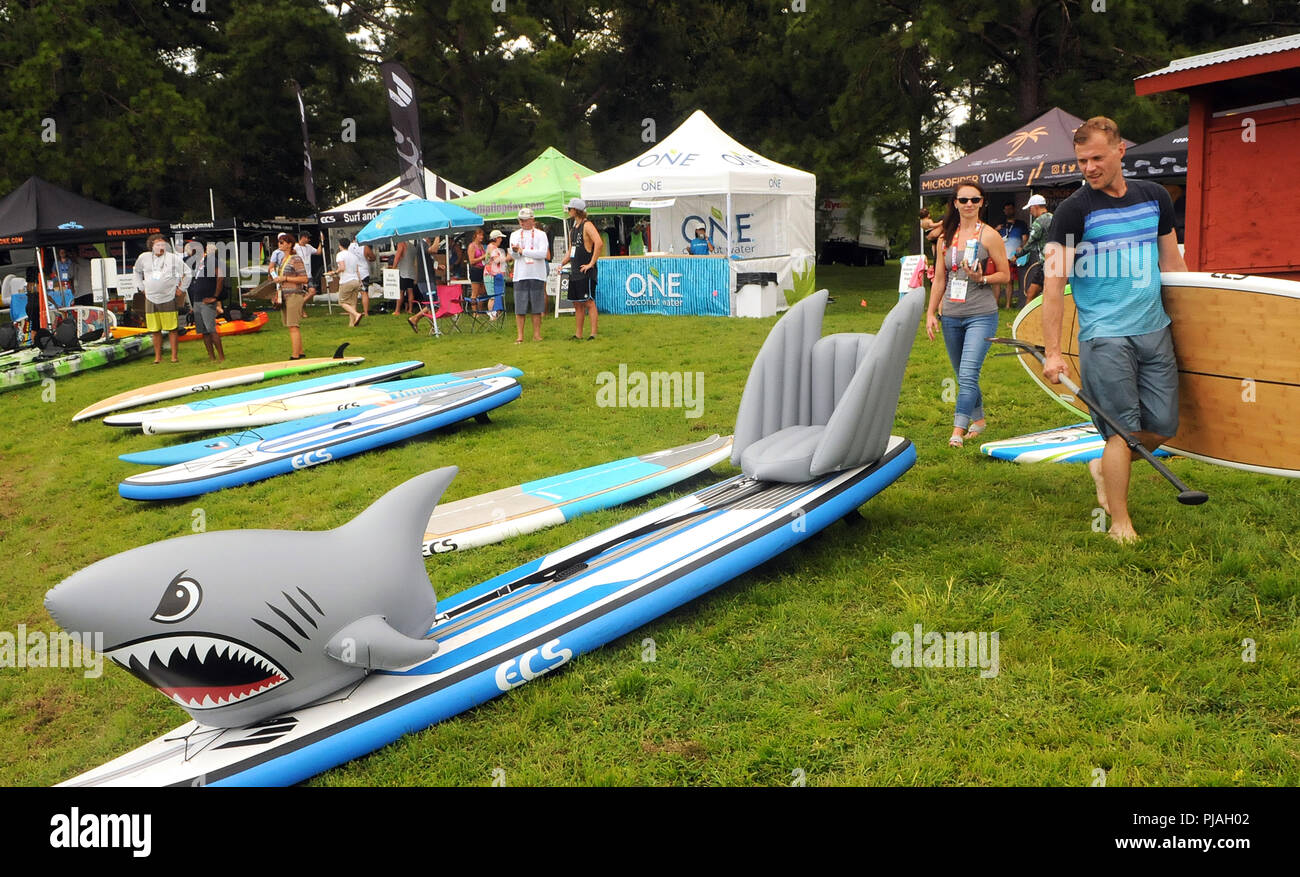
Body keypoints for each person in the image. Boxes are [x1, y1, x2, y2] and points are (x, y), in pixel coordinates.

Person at [1041, 116, 1188, 544]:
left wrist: (1194, 316)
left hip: (1154, 328)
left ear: (1121, 151)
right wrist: (1053, 350)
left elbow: (1172, 264)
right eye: (1082, 160)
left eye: (1097, 158)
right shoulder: (1073, 211)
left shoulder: (1155, 197)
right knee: (1122, 431)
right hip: (1104, 335)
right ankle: (1120, 522)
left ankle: (1104, 466)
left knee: (1163, 425)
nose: (1089, 167)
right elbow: (1054, 285)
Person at [924, 182, 1010, 448]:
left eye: (974, 199)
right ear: (955, 203)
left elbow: (1005, 276)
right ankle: (979, 420)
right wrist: (930, 313)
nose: (969, 204)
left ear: (982, 202)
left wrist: (982, 278)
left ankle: (957, 430)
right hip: (951, 314)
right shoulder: (944, 238)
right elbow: (939, 279)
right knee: (963, 374)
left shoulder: (989, 235)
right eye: (964, 200)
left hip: (981, 314)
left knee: (969, 373)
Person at [132, 234, 192, 363]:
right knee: (155, 329)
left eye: (163, 244)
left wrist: (181, 289)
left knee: (172, 328)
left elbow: (188, 273)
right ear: (151, 246)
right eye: (158, 244)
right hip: (151, 297)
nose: (161, 247)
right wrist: (141, 287)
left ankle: (174, 356)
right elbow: (136, 271)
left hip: (168, 297)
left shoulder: (173, 258)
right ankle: (157, 357)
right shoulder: (144, 257)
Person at [560, 198, 603, 340]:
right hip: (575, 271)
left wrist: (591, 263)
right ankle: (578, 334)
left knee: (589, 302)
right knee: (577, 303)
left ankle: (593, 333)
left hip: (585, 270)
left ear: (575, 210)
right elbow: (571, 249)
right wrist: (562, 263)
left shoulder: (587, 225)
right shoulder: (573, 228)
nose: (568, 211)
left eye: (569, 209)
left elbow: (599, 242)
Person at [509, 207, 548, 343]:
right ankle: (520, 335)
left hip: (537, 273)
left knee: (536, 307)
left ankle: (537, 334)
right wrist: (516, 251)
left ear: (532, 220)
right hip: (520, 274)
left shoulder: (541, 235)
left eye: (525, 220)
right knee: (520, 307)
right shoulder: (514, 235)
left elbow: (542, 254)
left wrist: (522, 251)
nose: (522, 222)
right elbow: (513, 255)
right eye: (520, 220)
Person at [273, 234, 312, 358]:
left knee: (293, 325)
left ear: (289, 244)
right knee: (290, 325)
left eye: (282, 242)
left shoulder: (295, 259)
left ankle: (295, 355)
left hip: (294, 295)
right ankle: (300, 352)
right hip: (284, 295)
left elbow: (304, 278)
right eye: (279, 242)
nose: (280, 244)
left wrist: (285, 278)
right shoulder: (283, 259)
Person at [187, 240, 226, 362]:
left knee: (211, 329)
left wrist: (215, 296)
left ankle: (221, 357)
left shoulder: (210, 259)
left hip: (207, 299)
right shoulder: (197, 262)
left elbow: (220, 277)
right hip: (197, 299)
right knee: (203, 331)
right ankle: (211, 357)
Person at [1016, 194, 1054, 303]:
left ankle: (1027, 319)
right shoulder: (1054, 217)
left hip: (1046, 264)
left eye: (1030, 208)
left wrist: (1017, 255)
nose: (1030, 211)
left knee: (1030, 295)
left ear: (1036, 206)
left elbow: (1030, 243)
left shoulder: (1038, 222)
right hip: (1057, 262)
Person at [996, 202, 1028, 308]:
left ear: (1014, 210)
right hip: (1001, 256)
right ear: (1004, 211)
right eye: (1006, 209)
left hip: (1015, 256)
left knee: (1010, 280)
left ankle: (1008, 305)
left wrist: (1021, 249)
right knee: (998, 280)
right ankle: (996, 303)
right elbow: (992, 238)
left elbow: (1025, 239)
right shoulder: (1000, 224)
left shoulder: (1021, 224)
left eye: (1010, 209)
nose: (1008, 211)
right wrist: (996, 230)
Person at [329, 236, 365, 328]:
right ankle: (351, 324)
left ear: (340, 245)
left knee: (342, 302)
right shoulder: (353, 256)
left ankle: (357, 315)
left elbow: (342, 268)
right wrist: (360, 282)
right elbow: (357, 270)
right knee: (353, 303)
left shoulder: (340, 255)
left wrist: (334, 272)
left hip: (346, 281)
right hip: (355, 280)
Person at [480, 230, 506, 319]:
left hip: (494, 274)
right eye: (500, 238)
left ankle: (495, 314)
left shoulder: (492, 247)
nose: (501, 240)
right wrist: (507, 258)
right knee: (492, 296)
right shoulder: (492, 247)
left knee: (496, 295)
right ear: (496, 238)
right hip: (490, 275)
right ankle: (492, 315)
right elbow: (496, 260)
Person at [392, 238, 419, 315]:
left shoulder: (401, 243)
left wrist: (393, 267)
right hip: (411, 271)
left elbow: (398, 256)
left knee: (401, 291)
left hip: (403, 272)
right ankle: (410, 309)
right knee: (410, 291)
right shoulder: (412, 246)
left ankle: (397, 310)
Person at [350, 238, 372, 316]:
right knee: (364, 292)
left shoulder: (349, 247)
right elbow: (372, 257)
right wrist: (369, 258)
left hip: (353, 272)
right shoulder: (364, 247)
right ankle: (366, 312)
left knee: (354, 293)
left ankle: (354, 311)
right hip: (363, 272)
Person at [466, 229, 486, 310]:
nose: (482, 237)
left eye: (482, 235)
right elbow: (471, 261)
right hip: (475, 270)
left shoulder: (481, 246)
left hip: (482, 269)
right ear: (475, 236)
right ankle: (474, 311)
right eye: (480, 235)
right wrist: (482, 257)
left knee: (482, 291)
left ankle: (480, 310)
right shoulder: (472, 246)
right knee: (475, 292)